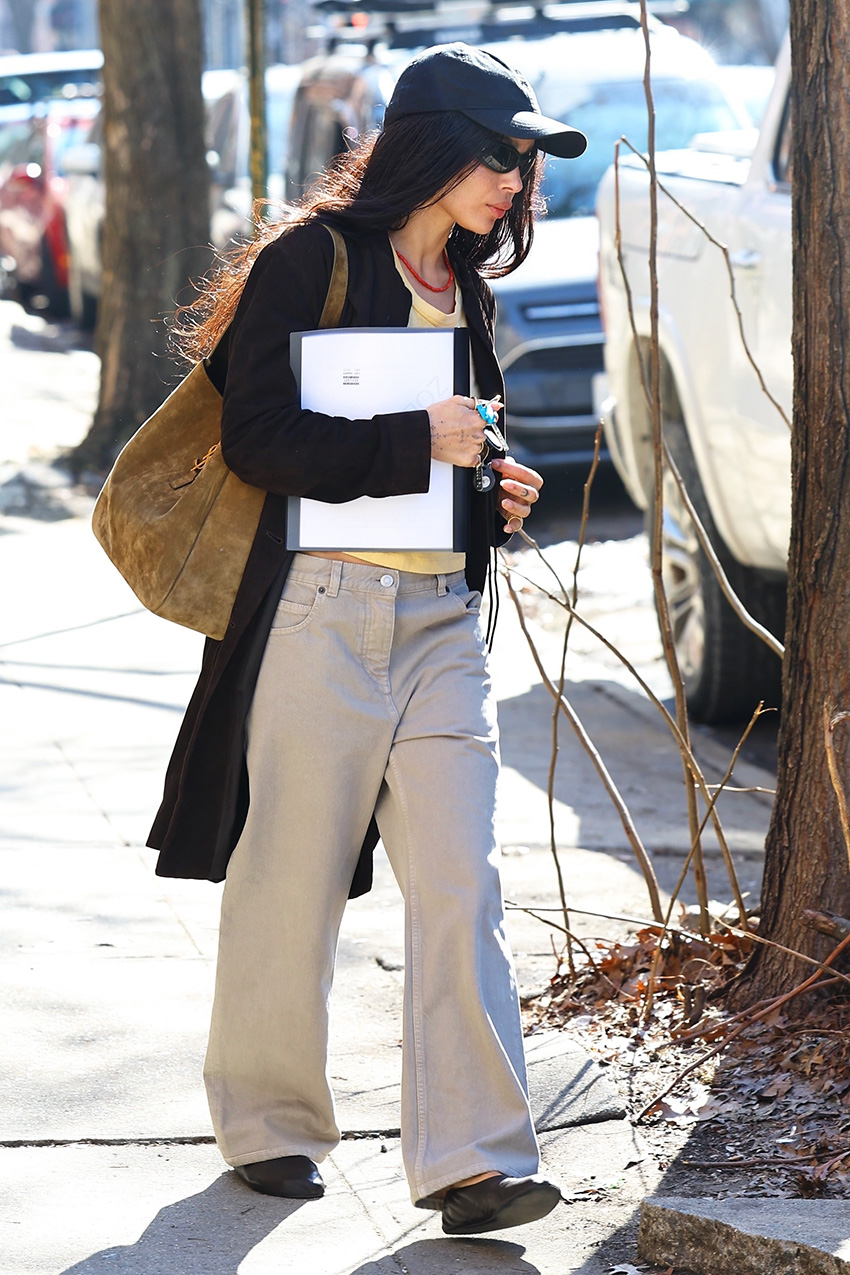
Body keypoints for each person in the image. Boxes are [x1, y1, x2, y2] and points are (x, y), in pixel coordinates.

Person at [148, 42, 587, 1236]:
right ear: (433, 146)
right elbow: (260, 441)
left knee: (462, 882)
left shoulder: (470, 288)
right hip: (316, 614)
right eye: (502, 154)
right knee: (288, 886)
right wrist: (419, 443)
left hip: (444, 619)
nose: (517, 180)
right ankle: (269, 1126)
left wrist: (491, 489)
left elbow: (460, 448)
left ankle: (475, 1162)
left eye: (529, 161)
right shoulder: (313, 262)